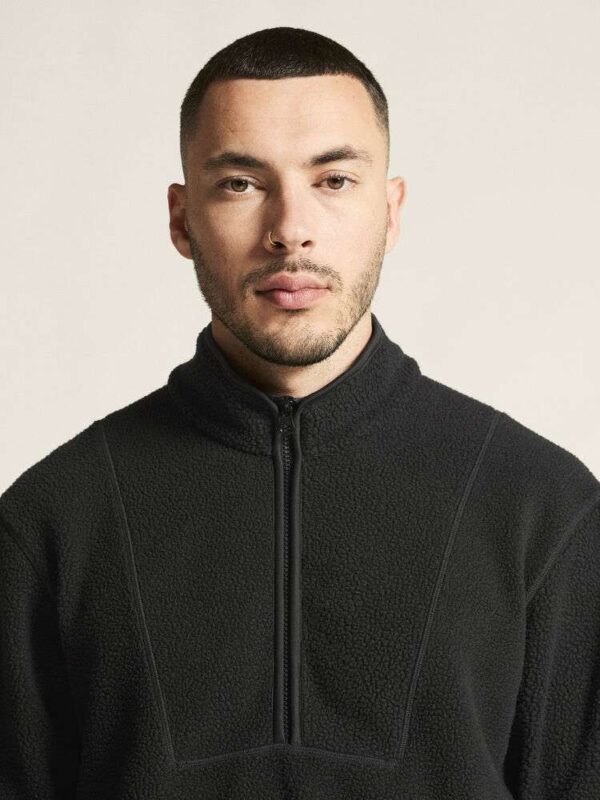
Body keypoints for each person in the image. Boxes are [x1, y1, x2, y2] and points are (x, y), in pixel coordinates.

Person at [1, 26, 599, 800]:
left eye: (334, 180)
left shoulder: (543, 510)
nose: (290, 228)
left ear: (391, 211)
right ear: (182, 219)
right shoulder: (51, 522)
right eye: (240, 184)